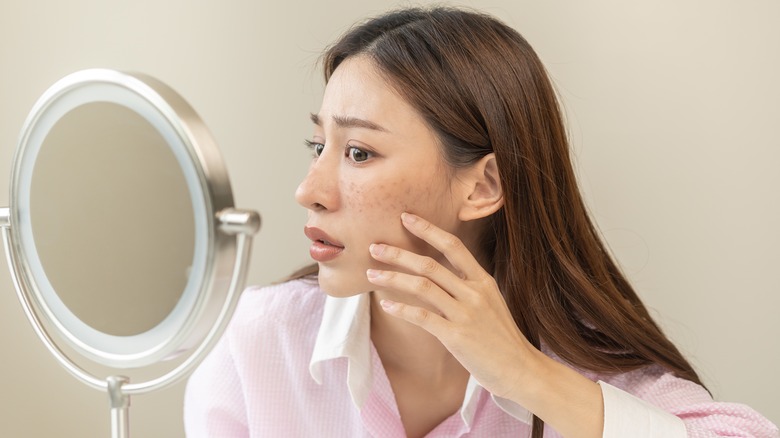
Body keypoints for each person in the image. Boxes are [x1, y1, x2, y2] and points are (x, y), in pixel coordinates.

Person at [184, 6, 779, 438]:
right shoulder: (256, 343)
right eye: (319, 147)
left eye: (359, 153)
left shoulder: (579, 370)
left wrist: (525, 374)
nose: (308, 191)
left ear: (482, 186)